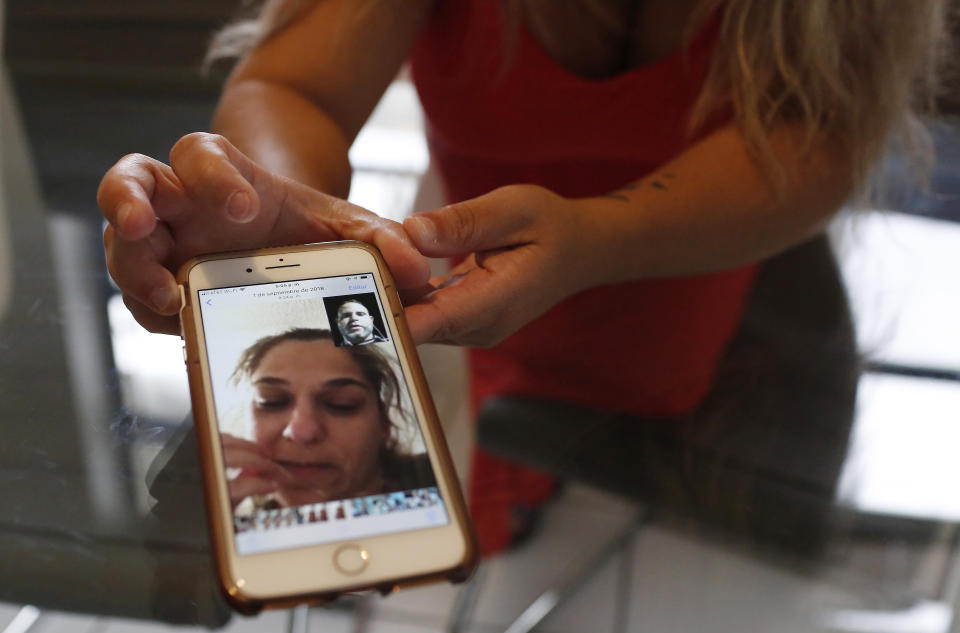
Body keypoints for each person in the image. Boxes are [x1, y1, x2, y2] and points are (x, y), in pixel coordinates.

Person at [98, 0, 949, 553]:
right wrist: (269, 201)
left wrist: (603, 236)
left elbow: (826, 133)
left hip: (711, 299)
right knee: (518, 469)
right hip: (491, 302)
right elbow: (296, 85)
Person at [223, 327, 435, 516]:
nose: (303, 431)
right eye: (272, 402)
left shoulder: (442, 481)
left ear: (383, 426)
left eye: (342, 404)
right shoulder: (228, 537)